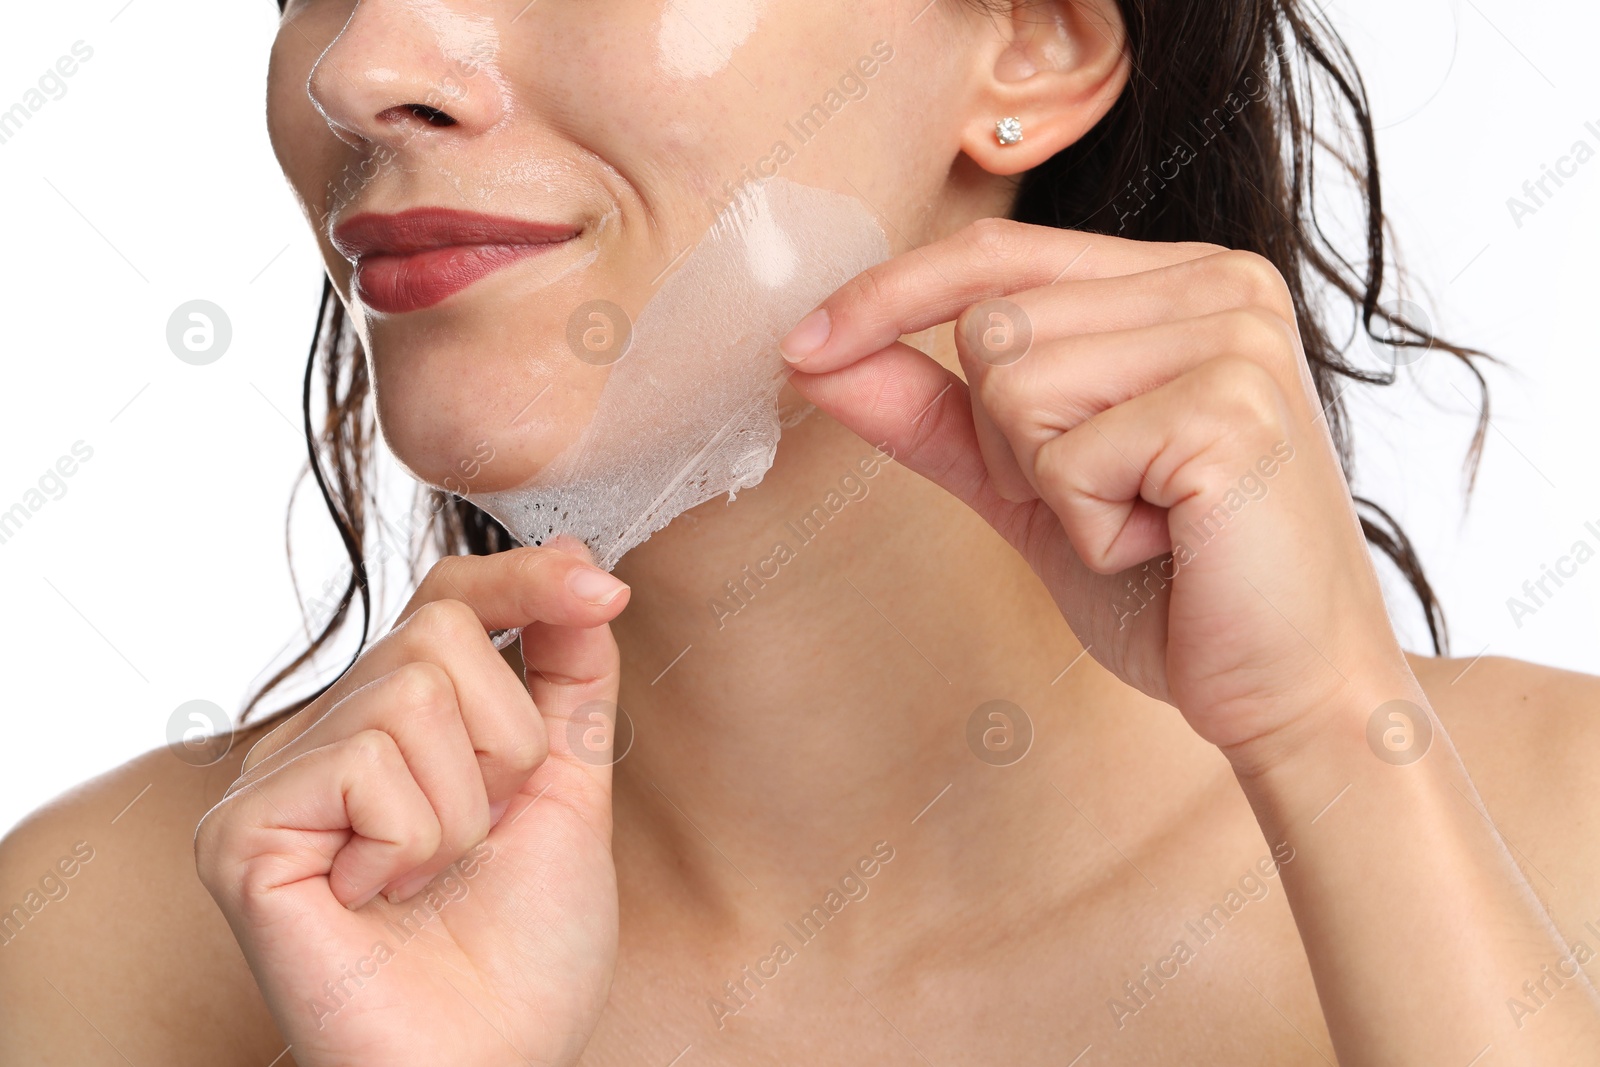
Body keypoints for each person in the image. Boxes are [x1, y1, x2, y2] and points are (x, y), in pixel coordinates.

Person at [4, 0, 1598, 1063]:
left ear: (1030, 45)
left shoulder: (1558, 836)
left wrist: (1333, 748)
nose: (357, 67)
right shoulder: (108, 948)